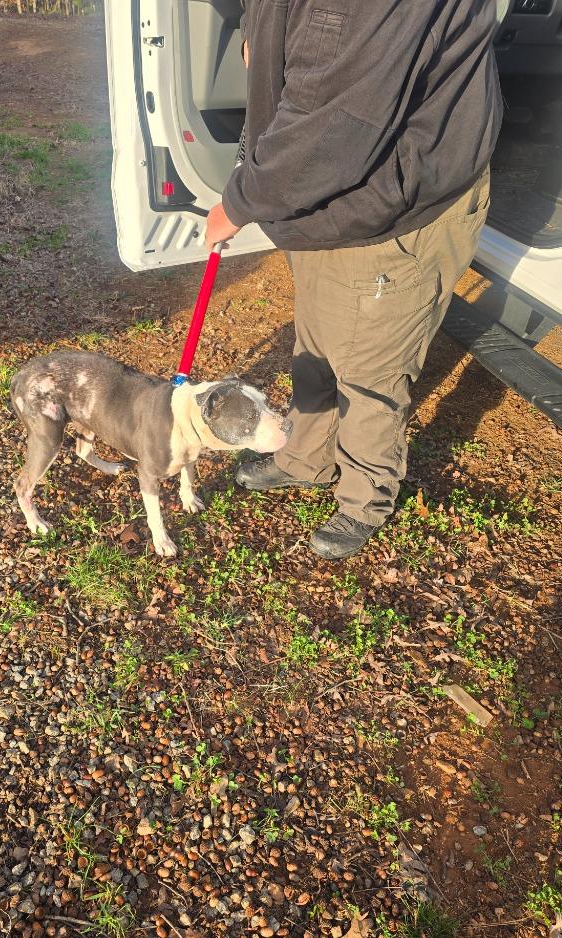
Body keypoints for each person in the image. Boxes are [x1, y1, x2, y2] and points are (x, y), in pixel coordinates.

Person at [205, 0, 503, 560]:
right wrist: (254, 24)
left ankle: (364, 499)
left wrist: (239, 202)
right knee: (317, 341)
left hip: (394, 202)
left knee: (368, 371)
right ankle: (306, 458)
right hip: (334, 204)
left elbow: (332, 129)